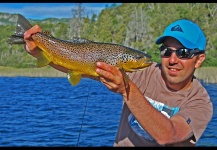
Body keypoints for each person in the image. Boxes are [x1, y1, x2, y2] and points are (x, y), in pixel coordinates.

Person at [23, 19, 213, 147]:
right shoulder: (143, 72)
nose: (172, 59)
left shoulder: (200, 102)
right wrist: (39, 50)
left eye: (183, 53)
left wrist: (126, 89)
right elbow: (78, 64)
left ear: (199, 59)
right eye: (166, 51)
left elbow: (168, 135)